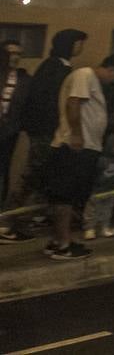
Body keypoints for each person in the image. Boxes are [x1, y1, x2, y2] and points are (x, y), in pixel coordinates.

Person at [45, 52, 114, 259]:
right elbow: (73, 103)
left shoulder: (92, 82)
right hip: (75, 146)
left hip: (85, 146)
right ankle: (63, 243)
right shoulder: (85, 75)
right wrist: (76, 134)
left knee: (70, 195)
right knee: (64, 195)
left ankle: (60, 239)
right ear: (111, 69)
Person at [14, 29, 86, 224]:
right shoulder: (55, 67)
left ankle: (28, 216)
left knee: (44, 172)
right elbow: (48, 101)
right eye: (78, 43)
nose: (81, 47)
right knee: (37, 172)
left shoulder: (57, 66)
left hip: (48, 130)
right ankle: (15, 219)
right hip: (46, 130)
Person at [0, 39, 33, 243]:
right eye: (10, 52)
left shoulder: (23, 79)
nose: (15, 56)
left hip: (8, 132)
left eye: (18, 53)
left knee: (3, 171)